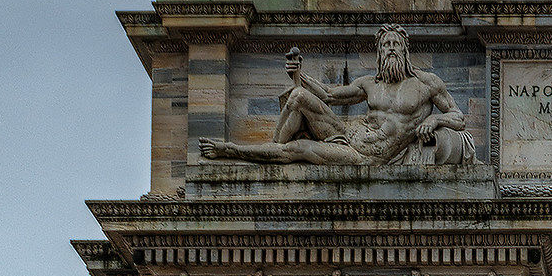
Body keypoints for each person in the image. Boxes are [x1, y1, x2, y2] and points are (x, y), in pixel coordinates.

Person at [203, 27, 475, 169]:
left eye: (396, 45)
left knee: (298, 151)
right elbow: (329, 95)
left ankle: (231, 150)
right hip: (348, 133)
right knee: (298, 96)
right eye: (386, 45)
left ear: (405, 50)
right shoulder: (369, 83)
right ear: (379, 53)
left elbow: (458, 117)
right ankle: (264, 152)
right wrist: (300, 74)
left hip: (367, 156)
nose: (391, 49)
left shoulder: (427, 83)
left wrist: (436, 120)